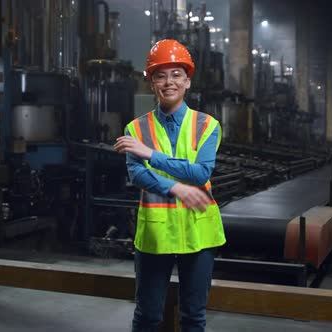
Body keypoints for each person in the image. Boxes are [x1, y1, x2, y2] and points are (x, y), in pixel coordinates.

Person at [114, 39, 226, 332]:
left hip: (198, 232)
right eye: (160, 75)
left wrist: (151, 154)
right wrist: (176, 187)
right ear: (151, 82)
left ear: (188, 81)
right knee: (148, 316)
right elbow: (137, 175)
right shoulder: (135, 128)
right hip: (156, 232)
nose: (168, 82)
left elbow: (200, 173)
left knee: (193, 317)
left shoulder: (208, 125)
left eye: (176, 74)